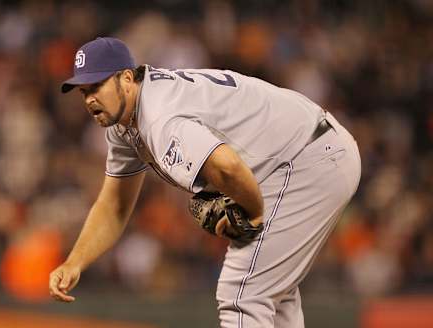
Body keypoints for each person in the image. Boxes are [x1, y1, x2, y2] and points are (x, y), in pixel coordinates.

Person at [49, 37, 361, 328]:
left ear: (126, 79)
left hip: (307, 159)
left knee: (242, 293)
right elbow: (115, 204)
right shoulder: (126, 122)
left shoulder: (160, 117)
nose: (90, 99)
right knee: (271, 293)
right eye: (83, 91)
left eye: (97, 86)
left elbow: (226, 166)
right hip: (306, 154)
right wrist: (76, 261)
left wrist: (253, 212)